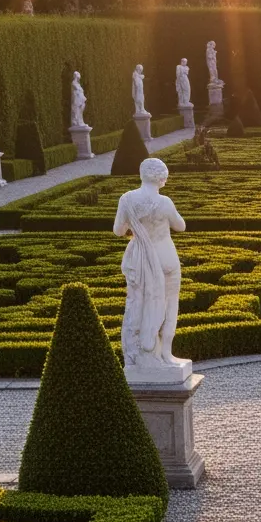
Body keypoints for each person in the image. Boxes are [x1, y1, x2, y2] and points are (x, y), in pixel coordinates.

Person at [114, 157, 187, 372]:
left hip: (141, 259)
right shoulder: (165, 202)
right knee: (170, 303)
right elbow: (180, 226)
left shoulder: (127, 199)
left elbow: (118, 230)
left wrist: (137, 227)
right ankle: (165, 352)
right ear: (161, 177)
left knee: (142, 302)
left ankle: (145, 351)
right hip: (166, 258)